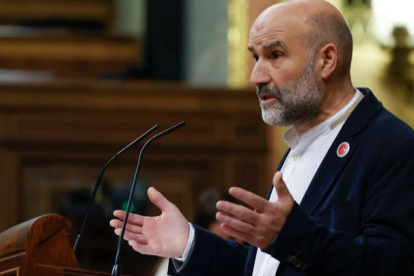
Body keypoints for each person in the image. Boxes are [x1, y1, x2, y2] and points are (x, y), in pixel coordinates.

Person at [109, 0, 414, 275]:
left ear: (327, 60)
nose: (256, 75)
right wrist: (187, 244)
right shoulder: (301, 144)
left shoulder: (393, 146)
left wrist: (292, 237)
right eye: (256, 57)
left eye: (275, 55)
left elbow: (393, 265)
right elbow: (267, 267)